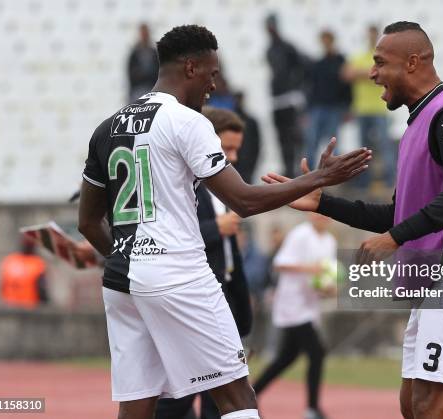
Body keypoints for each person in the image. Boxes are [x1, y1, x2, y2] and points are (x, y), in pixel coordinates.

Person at [78, 25, 370, 419]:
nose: (215, 85)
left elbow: (88, 221)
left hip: (121, 282)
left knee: (137, 406)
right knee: (238, 399)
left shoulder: (107, 127)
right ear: (191, 67)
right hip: (177, 272)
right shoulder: (187, 122)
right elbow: (244, 200)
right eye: (212, 74)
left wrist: (127, 260)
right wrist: (318, 178)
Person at [262, 21, 443, 419]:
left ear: (412, 63)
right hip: (437, 282)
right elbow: (397, 215)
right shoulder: (418, 122)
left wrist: (395, 237)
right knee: (413, 407)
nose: (372, 73)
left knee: (428, 407)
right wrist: (323, 202)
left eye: (380, 62)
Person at [155, 107, 252, 419]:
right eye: (227, 149)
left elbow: (230, 253)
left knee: (220, 398)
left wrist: (241, 306)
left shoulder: (223, 189)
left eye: (237, 149)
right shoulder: (177, 186)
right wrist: (216, 229)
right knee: (179, 397)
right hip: (191, 298)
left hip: (223, 299)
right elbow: (167, 234)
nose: (233, 157)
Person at [252, 213, 335, 419]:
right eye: (319, 213)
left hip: (309, 304)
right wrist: (310, 268)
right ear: (311, 215)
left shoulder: (330, 241)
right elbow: (280, 263)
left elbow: (326, 275)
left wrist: (329, 288)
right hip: (292, 303)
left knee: (286, 357)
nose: (322, 218)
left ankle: (250, 394)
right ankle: (312, 409)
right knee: (317, 352)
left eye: (326, 215)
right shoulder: (301, 234)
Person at [342, 25, 395, 190]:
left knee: (385, 147)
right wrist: (372, 72)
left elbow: (387, 73)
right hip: (363, 109)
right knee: (364, 149)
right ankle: (364, 182)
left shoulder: (384, 57)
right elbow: (347, 74)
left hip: (380, 108)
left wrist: (362, 73)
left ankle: (390, 181)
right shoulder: (362, 56)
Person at [265, 14, 308, 178]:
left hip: (290, 99)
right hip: (277, 100)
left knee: (294, 137)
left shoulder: (288, 47)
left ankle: (297, 169)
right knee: (281, 138)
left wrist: (297, 88)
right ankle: (288, 170)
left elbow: (304, 67)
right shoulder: (269, 50)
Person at [304, 30, 352, 169]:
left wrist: (347, 107)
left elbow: (347, 86)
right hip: (318, 107)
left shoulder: (341, 61)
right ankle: (308, 172)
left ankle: (334, 172)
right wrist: (308, 109)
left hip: (334, 107)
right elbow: (311, 87)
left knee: (334, 143)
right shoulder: (318, 63)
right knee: (312, 141)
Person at [0, 236, 48, 309]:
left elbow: (1, 287)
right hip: (29, 309)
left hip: (9, 309)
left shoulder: (9, 261)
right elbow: (42, 290)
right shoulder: (37, 263)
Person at [233, 92, 261, 183]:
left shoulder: (250, 121)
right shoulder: (250, 120)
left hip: (245, 162)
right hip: (244, 162)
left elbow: (256, 145)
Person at [128, 23, 159, 102]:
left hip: (152, 89)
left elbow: (158, 72)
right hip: (138, 90)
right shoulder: (135, 53)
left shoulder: (154, 53)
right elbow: (131, 74)